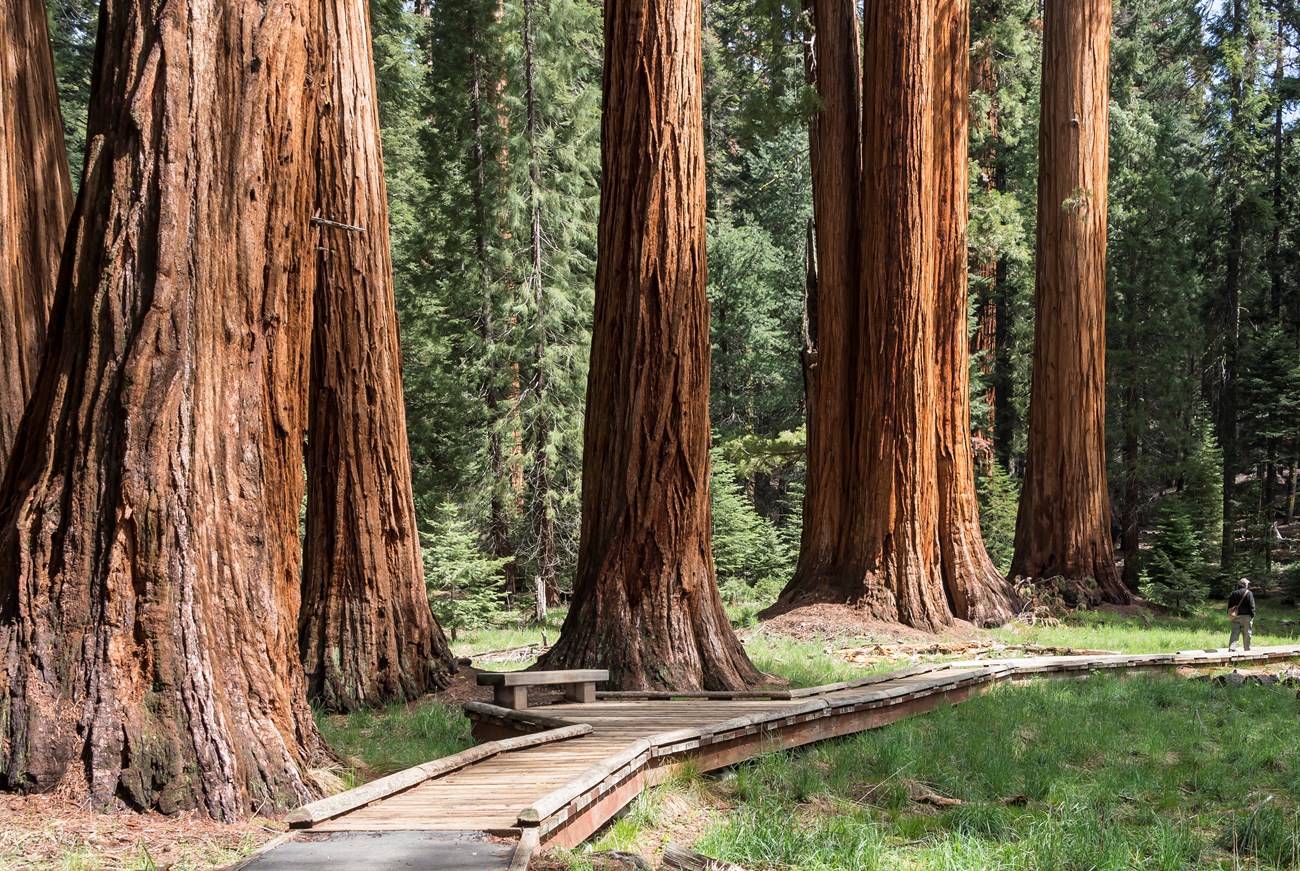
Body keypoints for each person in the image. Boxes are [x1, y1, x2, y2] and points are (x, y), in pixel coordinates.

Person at [1227, 578, 1255, 652]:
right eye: (1247, 584)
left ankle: (1231, 649)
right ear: (1245, 584)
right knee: (1247, 633)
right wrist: (1252, 615)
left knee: (1235, 633)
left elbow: (1230, 606)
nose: (1248, 585)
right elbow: (1252, 606)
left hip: (1235, 616)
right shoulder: (1249, 593)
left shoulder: (1233, 593)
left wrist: (1231, 614)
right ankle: (1247, 649)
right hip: (1246, 617)